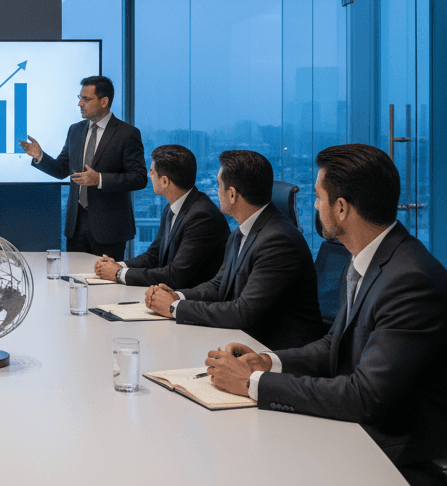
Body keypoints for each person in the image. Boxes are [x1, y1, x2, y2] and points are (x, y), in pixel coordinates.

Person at [205, 144, 447, 486]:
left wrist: (252, 385)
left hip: (420, 463)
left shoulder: (410, 281)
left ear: (341, 208)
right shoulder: (367, 261)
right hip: (376, 434)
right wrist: (267, 362)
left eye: (318, 198)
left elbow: (364, 397)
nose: (314, 207)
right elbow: (332, 347)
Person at [144, 150, 324, 350]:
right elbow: (218, 285)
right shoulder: (241, 232)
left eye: (218, 186)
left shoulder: (278, 241)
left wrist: (174, 307)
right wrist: (177, 296)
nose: (216, 192)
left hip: (276, 351)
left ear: (231, 194)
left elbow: (243, 312)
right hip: (244, 340)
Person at [21, 76, 147, 259]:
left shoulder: (127, 133)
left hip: (110, 229)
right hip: (76, 225)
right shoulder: (75, 130)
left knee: (105, 278)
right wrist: (40, 156)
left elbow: (139, 178)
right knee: (74, 276)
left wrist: (99, 179)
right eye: (80, 98)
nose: (80, 104)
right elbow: (62, 169)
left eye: (86, 99)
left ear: (104, 102)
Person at [94, 144, 228, 288]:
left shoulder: (202, 216)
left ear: (164, 181)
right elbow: (154, 255)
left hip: (192, 297)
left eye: (152, 172)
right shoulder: (172, 207)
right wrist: (118, 265)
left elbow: (176, 276)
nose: (149, 175)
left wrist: (118, 273)